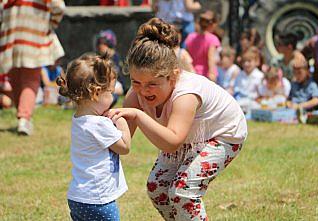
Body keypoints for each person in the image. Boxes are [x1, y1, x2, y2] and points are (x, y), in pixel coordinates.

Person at [106, 18, 247, 221]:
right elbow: (122, 142)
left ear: (172, 77)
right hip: (185, 135)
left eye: (152, 84)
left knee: (183, 192)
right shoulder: (135, 95)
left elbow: (171, 142)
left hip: (223, 133)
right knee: (157, 189)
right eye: (136, 82)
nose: (143, 91)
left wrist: (138, 115)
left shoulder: (185, 95)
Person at [56, 53, 131, 221]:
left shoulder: (78, 119)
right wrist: (122, 122)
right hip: (99, 200)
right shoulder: (99, 124)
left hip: (78, 197)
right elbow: (124, 147)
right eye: (110, 92)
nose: (113, 97)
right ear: (96, 93)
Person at [0, 0, 65, 135]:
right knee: (30, 79)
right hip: (34, 35)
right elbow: (59, 6)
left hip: (11, 37)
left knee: (15, 77)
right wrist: (49, 24)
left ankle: (23, 116)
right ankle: (24, 118)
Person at [185, 10, 221, 81]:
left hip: (192, 73)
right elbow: (210, 58)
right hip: (206, 76)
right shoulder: (213, 39)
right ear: (212, 24)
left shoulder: (190, 37)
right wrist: (212, 74)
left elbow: (187, 56)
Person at [95, 29, 125, 105]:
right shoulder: (98, 58)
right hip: (102, 83)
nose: (99, 46)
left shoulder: (116, 58)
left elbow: (120, 80)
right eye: (99, 43)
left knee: (117, 88)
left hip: (114, 84)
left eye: (102, 43)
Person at [233, 46, 264, 114]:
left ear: (256, 62)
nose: (246, 64)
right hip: (240, 100)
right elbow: (236, 89)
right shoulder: (239, 75)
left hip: (253, 102)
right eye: (244, 61)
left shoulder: (259, 76)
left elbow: (261, 93)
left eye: (249, 61)